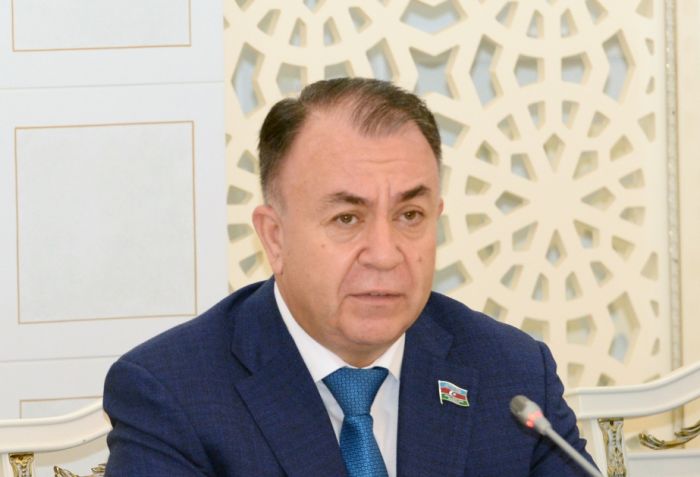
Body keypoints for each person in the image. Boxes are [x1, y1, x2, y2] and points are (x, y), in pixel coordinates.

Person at [103, 77, 596, 476]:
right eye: (347, 218)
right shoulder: (173, 395)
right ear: (274, 238)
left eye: (410, 216)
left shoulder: (513, 377)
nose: (384, 255)